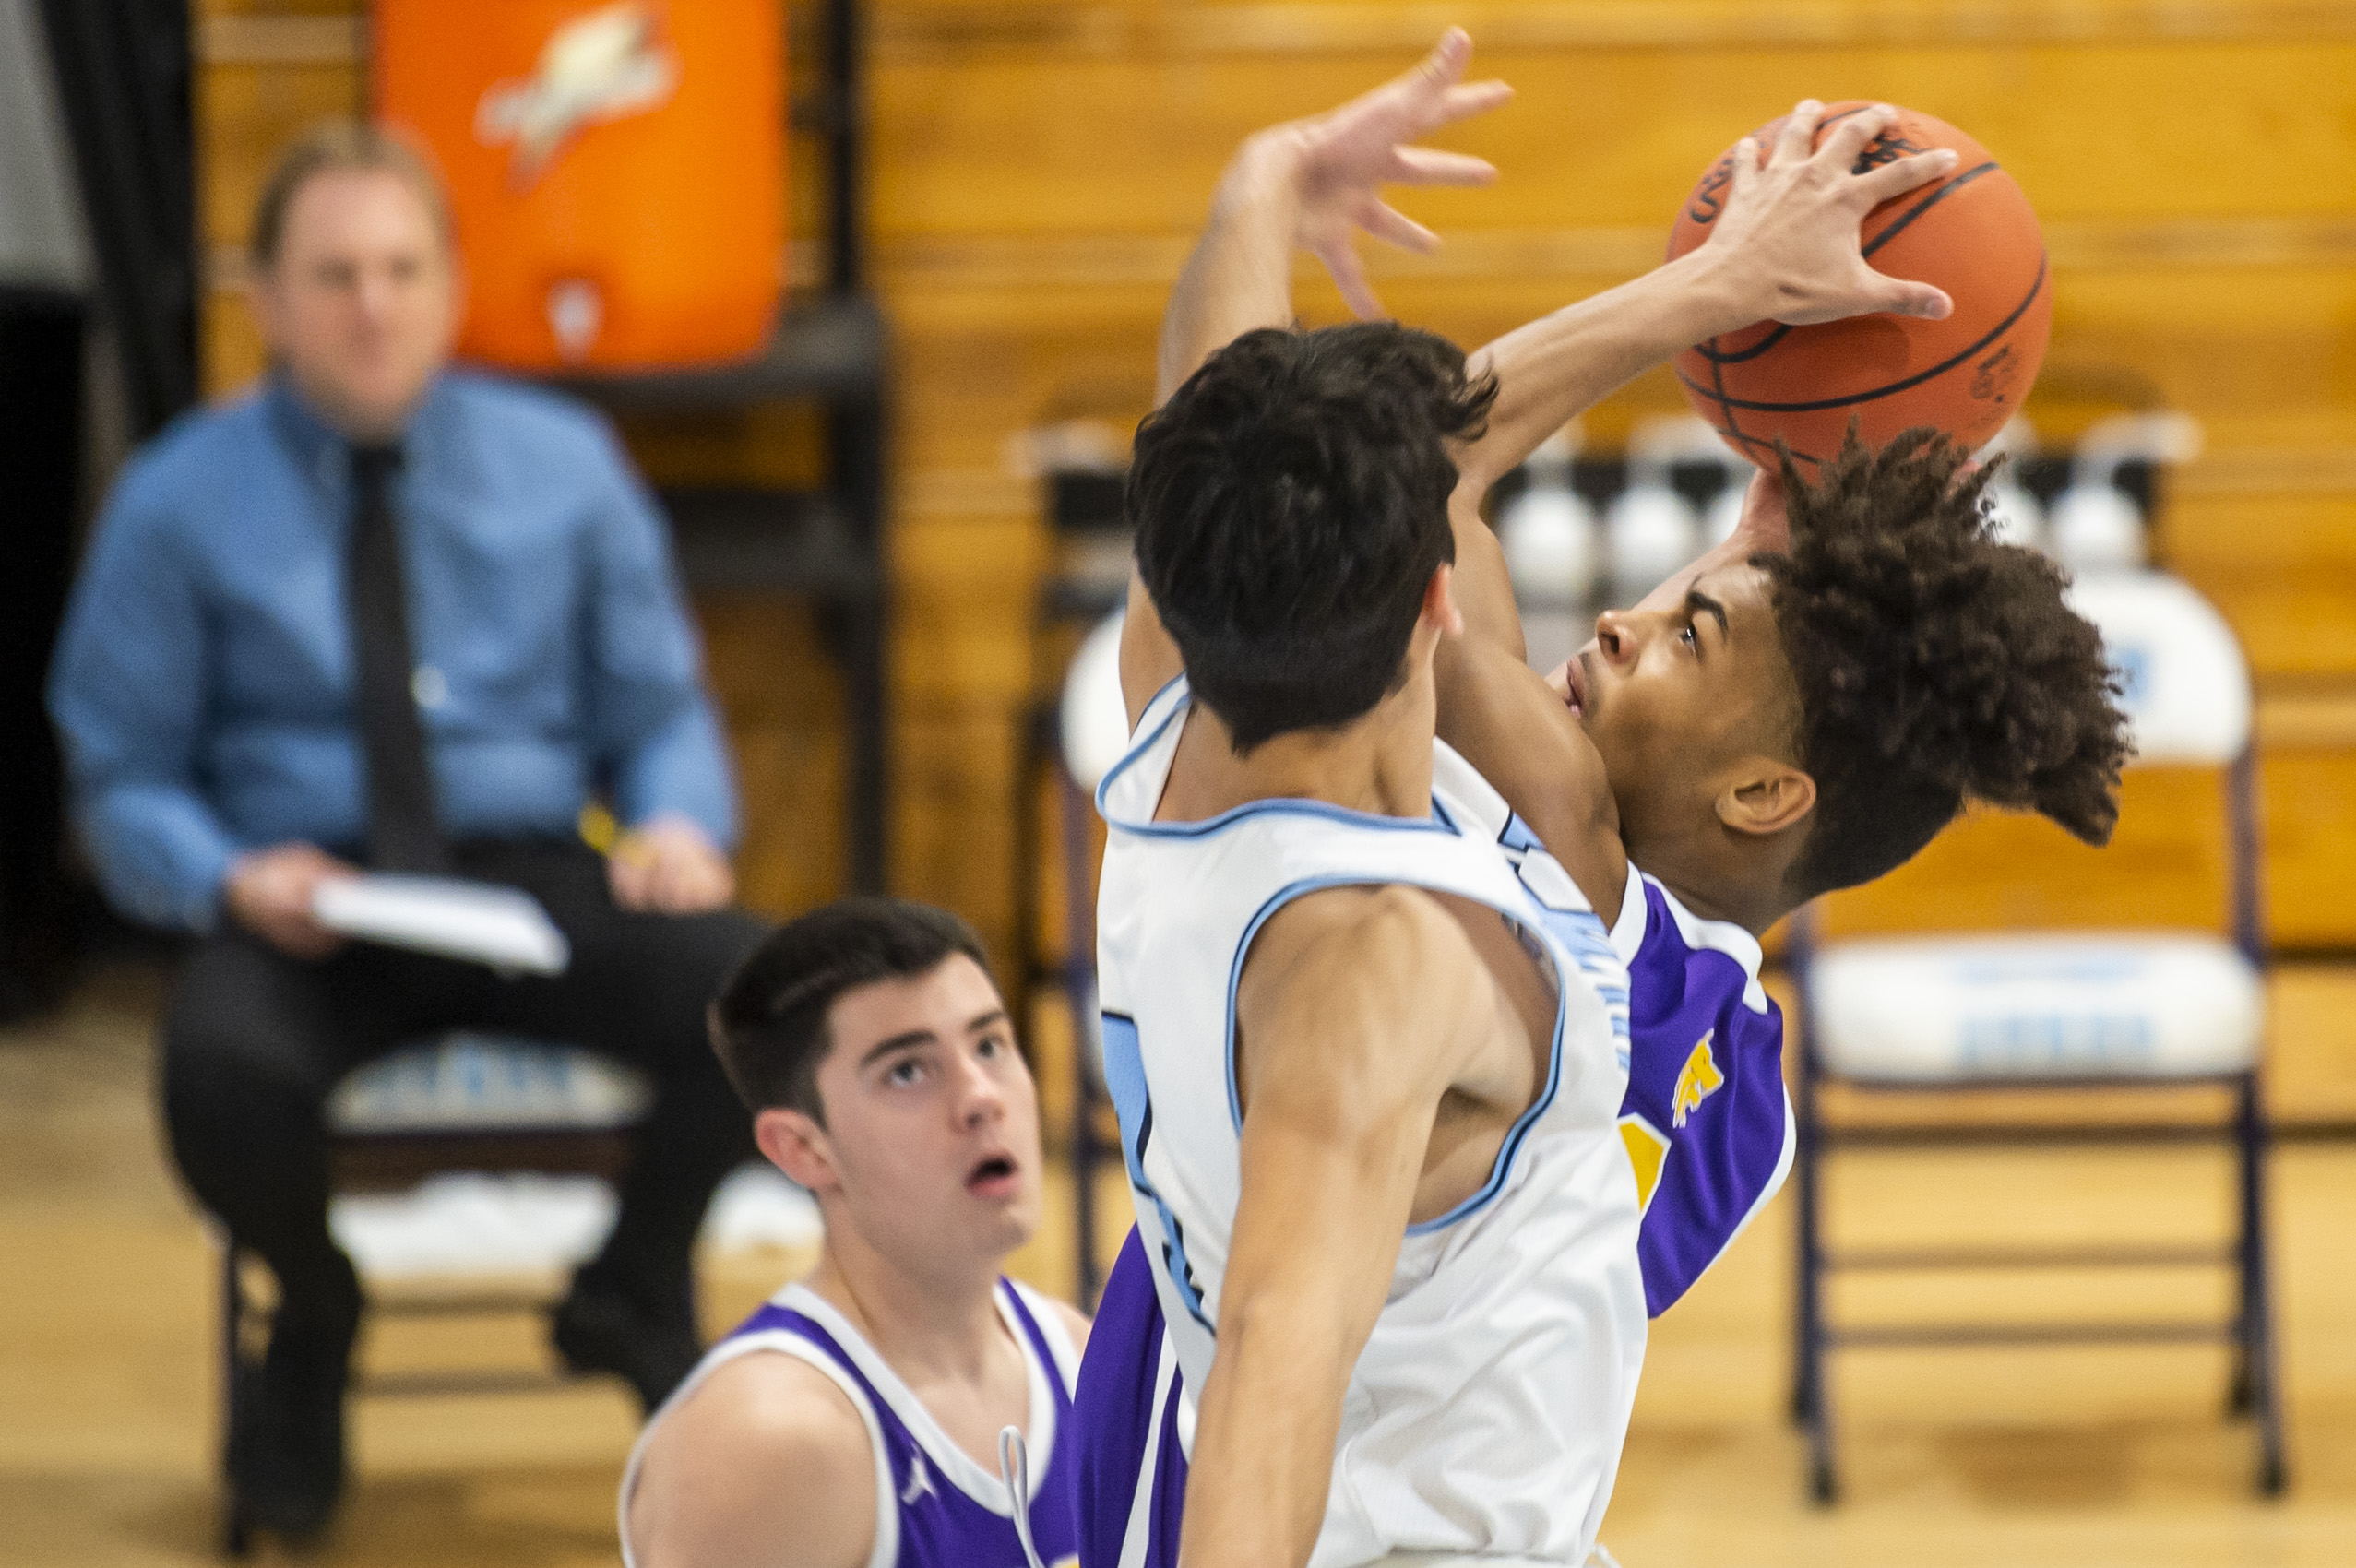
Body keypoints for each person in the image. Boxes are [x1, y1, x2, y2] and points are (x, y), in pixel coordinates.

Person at [1073, 36, 2060, 1568]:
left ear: (1757, 789)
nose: (1611, 622)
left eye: (1682, 636)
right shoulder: (1743, 1100)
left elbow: (1400, 484)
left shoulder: (1493, 878)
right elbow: (1297, 489)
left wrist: (1719, 290)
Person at [46, 125, 767, 1538]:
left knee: (774, 1001)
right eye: (332, 274)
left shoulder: (564, 465)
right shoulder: (175, 499)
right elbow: (117, 773)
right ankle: (313, 1325)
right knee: (214, 1075)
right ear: (267, 298)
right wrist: (225, 875)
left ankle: (630, 1279)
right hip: (308, 896)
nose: (370, 305)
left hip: (528, 873)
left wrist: (680, 821)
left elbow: (662, 707)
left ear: (447, 286)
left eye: (399, 269)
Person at [625, 897, 1089, 1568]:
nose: (982, 1096)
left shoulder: (1078, 1359)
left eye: (989, 1044)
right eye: (907, 1070)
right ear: (803, 1150)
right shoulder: (768, 1443)